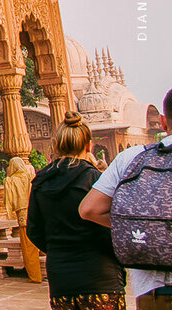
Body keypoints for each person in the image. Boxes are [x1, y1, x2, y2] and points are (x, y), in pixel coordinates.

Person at [80, 88, 172, 310]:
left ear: (162, 121)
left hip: (153, 289)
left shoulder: (132, 158)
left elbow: (88, 209)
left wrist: (141, 226)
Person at [28, 111, 125, 310]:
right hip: (100, 276)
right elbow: (112, 227)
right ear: (89, 145)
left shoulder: (41, 181)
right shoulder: (96, 180)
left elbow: (34, 230)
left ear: (56, 145)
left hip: (62, 278)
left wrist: (59, 249)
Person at [4, 156, 43, 283]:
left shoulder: (11, 180)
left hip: (23, 218)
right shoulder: (31, 177)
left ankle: (35, 276)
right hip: (36, 215)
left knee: (29, 249)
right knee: (39, 243)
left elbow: (9, 201)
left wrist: (10, 212)